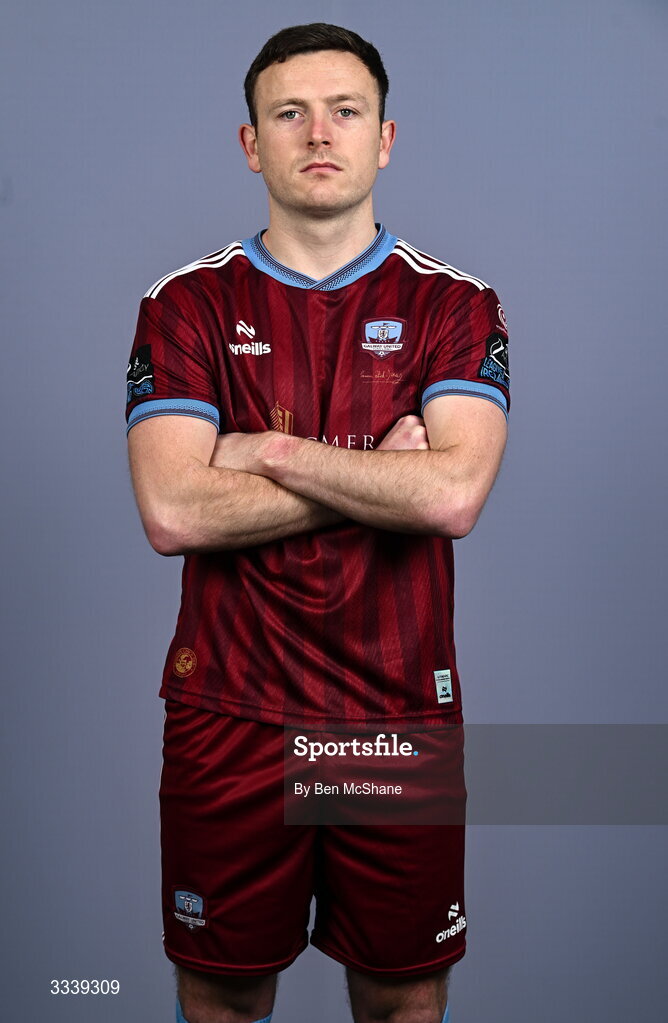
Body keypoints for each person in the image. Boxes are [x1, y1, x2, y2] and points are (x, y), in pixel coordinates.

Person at [126, 22, 509, 1023]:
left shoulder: (452, 305)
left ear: (385, 137)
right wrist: (373, 471)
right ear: (251, 143)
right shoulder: (186, 306)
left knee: (399, 1001)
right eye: (287, 113)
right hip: (229, 714)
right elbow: (171, 510)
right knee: (221, 998)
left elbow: (450, 496)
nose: (317, 132)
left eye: (344, 110)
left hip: (392, 719)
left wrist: (268, 449)